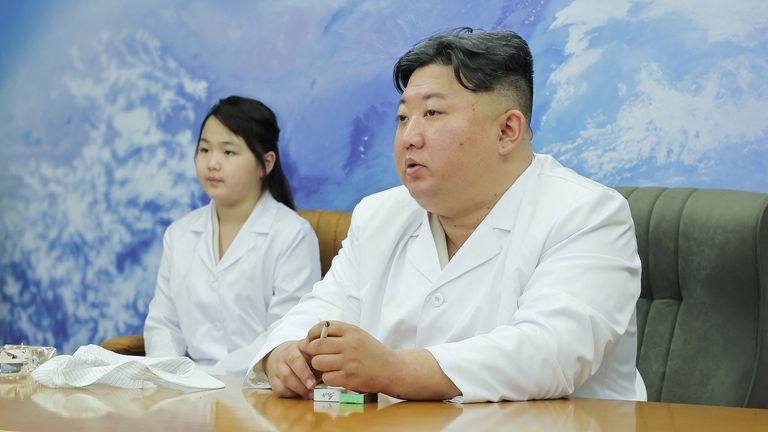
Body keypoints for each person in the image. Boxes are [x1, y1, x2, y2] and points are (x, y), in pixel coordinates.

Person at [249, 28, 647, 402]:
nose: (409, 137)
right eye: (403, 117)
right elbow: (323, 308)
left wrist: (395, 370)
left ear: (507, 130)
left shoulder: (587, 213)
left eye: (433, 114)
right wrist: (283, 353)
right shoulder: (379, 214)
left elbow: (551, 352)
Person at [144, 96, 321, 375]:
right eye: (204, 150)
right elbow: (163, 323)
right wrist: (171, 374)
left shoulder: (292, 235)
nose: (212, 163)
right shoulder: (179, 234)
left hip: (258, 390)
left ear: (266, 163)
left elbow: (286, 331)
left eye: (228, 152)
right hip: (184, 391)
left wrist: (216, 377)